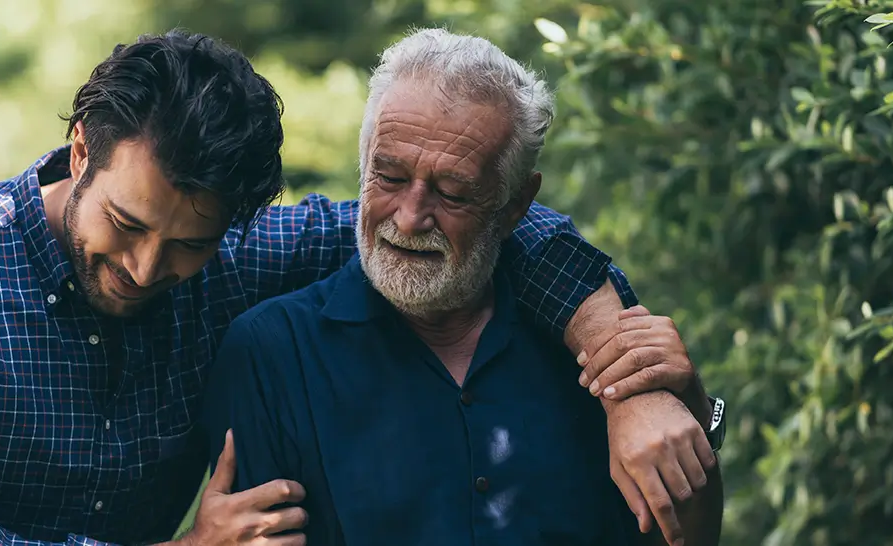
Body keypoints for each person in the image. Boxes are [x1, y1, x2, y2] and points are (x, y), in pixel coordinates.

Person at [0, 29, 714, 546]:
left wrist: (623, 368)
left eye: (188, 245)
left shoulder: (237, 257)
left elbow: (467, 226)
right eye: (125, 225)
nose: (148, 270)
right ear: (81, 151)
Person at [202, 29, 724, 546]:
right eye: (387, 177)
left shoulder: (594, 348)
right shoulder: (270, 353)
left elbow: (682, 537)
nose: (408, 219)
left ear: (516, 204)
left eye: (452, 193)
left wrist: (689, 415)